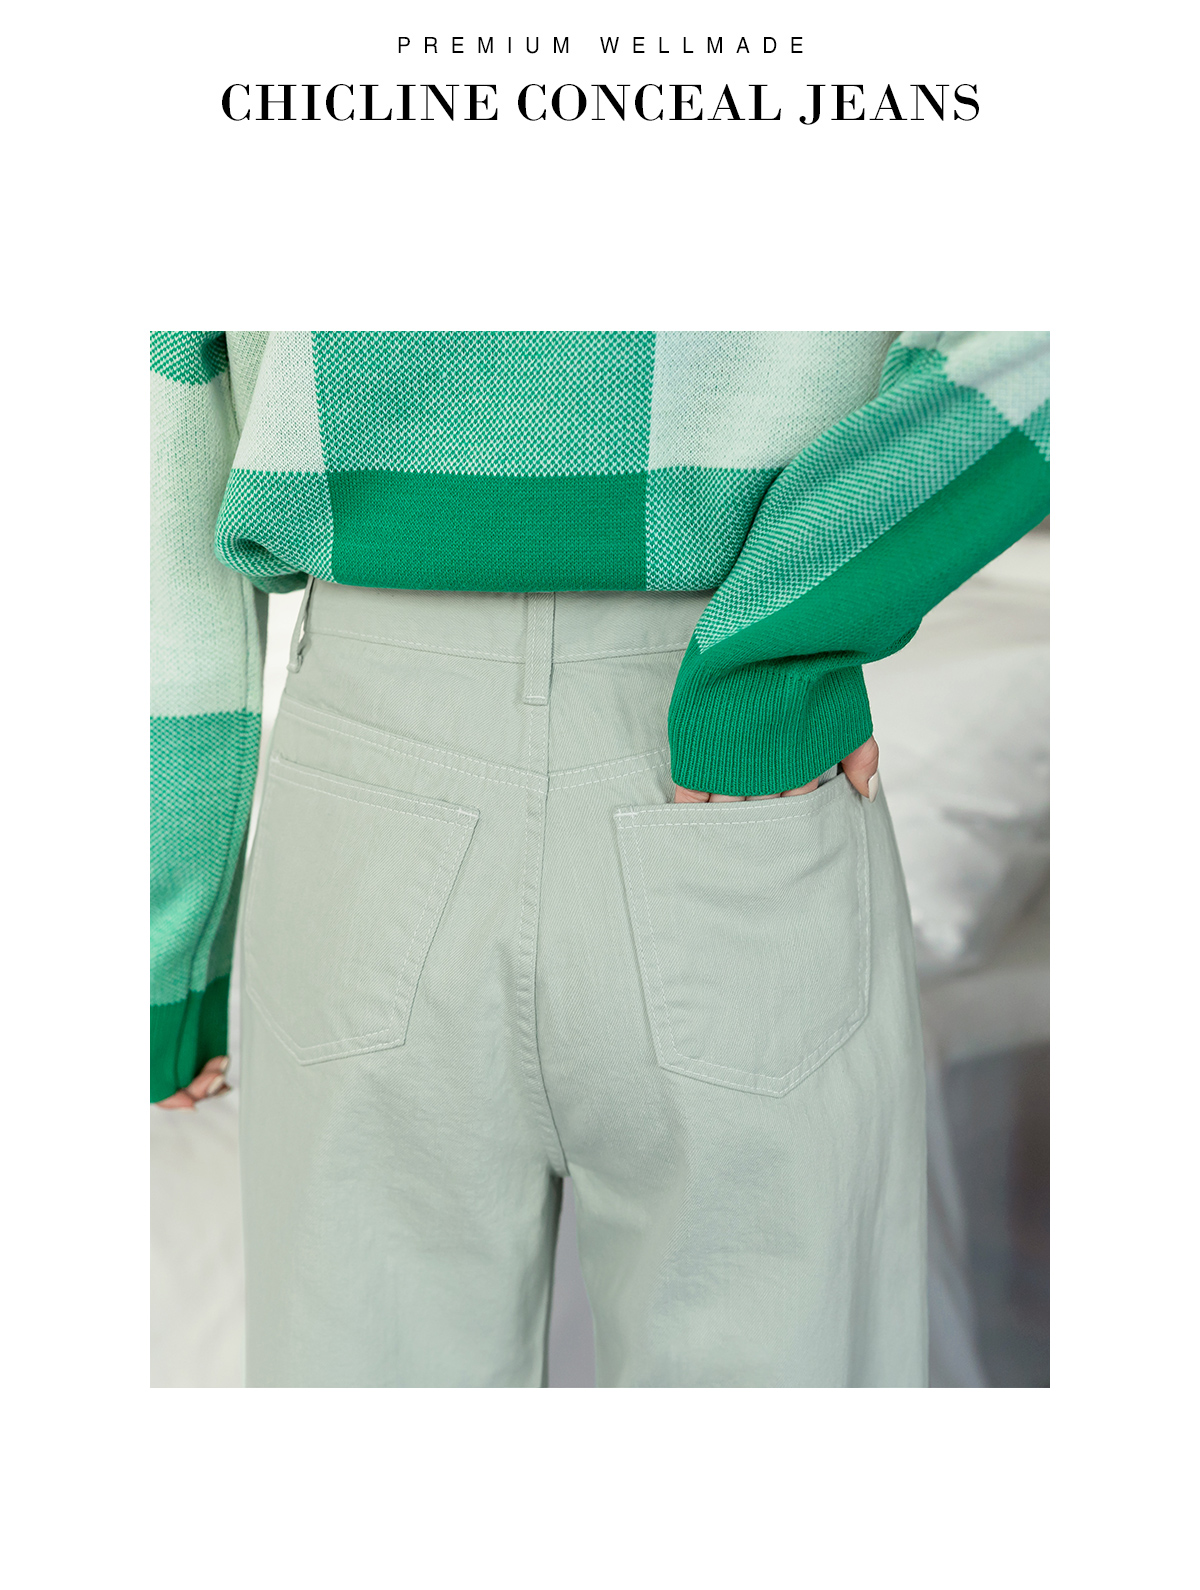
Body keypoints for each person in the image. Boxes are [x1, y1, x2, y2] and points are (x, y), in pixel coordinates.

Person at [150, 330, 1049, 1386]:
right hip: (733, 764)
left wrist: (170, 946)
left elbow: (161, 458)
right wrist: (794, 629)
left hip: (369, 769)